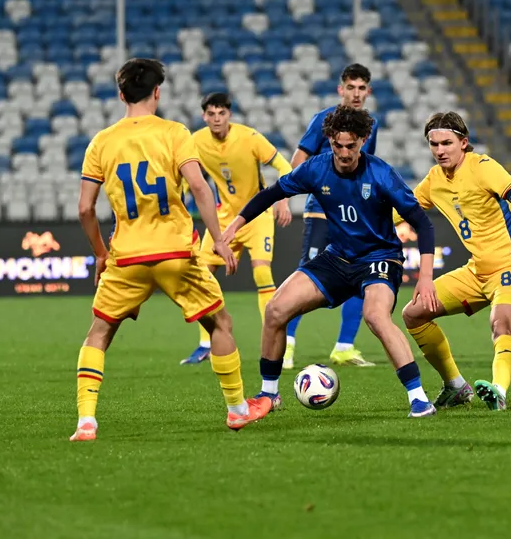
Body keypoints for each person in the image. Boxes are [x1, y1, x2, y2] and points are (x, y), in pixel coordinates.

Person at [70, 58, 270, 441]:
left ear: (121, 95)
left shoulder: (101, 142)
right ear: (157, 93)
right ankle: (237, 410)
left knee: (99, 333)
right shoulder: (175, 132)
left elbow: (84, 209)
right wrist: (220, 239)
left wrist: (100, 253)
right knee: (220, 324)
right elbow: (199, 187)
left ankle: (86, 421)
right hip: (176, 253)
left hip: (127, 256)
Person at [220, 106, 441, 418]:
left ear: (363, 140)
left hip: (380, 257)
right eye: (338, 145)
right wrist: (233, 226)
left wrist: (426, 277)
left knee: (376, 316)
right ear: (330, 141)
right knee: (275, 310)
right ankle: (269, 394)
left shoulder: (381, 174)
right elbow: (271, 194)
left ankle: (418, 398)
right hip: (337, 258)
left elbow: (424, 224)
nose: (345, 153)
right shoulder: (317, 168)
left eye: (351, 146)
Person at [400, 112, 511, 411]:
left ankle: (498, 391)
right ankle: (455, 386)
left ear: (463, 142)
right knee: (413, 314)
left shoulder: (482, 166)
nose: (440, 150)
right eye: (434, 144)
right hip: (475, 272)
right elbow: (402, 211)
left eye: (447, 143)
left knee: (502, 323)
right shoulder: (434, 180)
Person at [179, 92, 293, 365]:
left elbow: (283, 165)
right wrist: (180, 203)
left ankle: (273, 341)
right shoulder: (196, 141)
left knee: (262, 272)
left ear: (229, 114)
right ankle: (205, 343)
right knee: (202, 274)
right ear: (204, 116)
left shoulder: (250, 138)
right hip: (223, 219)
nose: (217, 119)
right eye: (211, 114)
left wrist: (283, 199)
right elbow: (184, 178)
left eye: (222, 113)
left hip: (257, 215)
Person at [283, 63, 379, 370]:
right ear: (341, 89)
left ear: (368, 91)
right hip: (322, 211)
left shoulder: (371, 125)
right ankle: (286, 344)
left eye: (361, 88)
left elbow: (366, 166)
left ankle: (344, 348)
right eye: (350, 87)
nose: (356, 93)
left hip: (354, 214)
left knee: (361, 274)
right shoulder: (324, 119)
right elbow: (300, 157)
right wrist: (289, 194)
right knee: (308, 274)